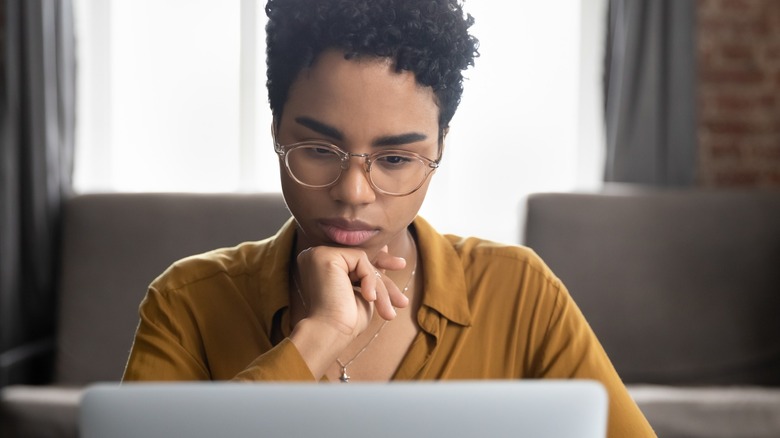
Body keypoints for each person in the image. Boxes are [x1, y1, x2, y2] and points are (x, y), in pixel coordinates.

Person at [122, 0, 655, 435]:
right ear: (277, 131)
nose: (353, 193)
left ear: (441, 146)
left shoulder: (520, 292)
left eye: (396, 159)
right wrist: (319, 335)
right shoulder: (186, 301)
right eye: (319, 148)